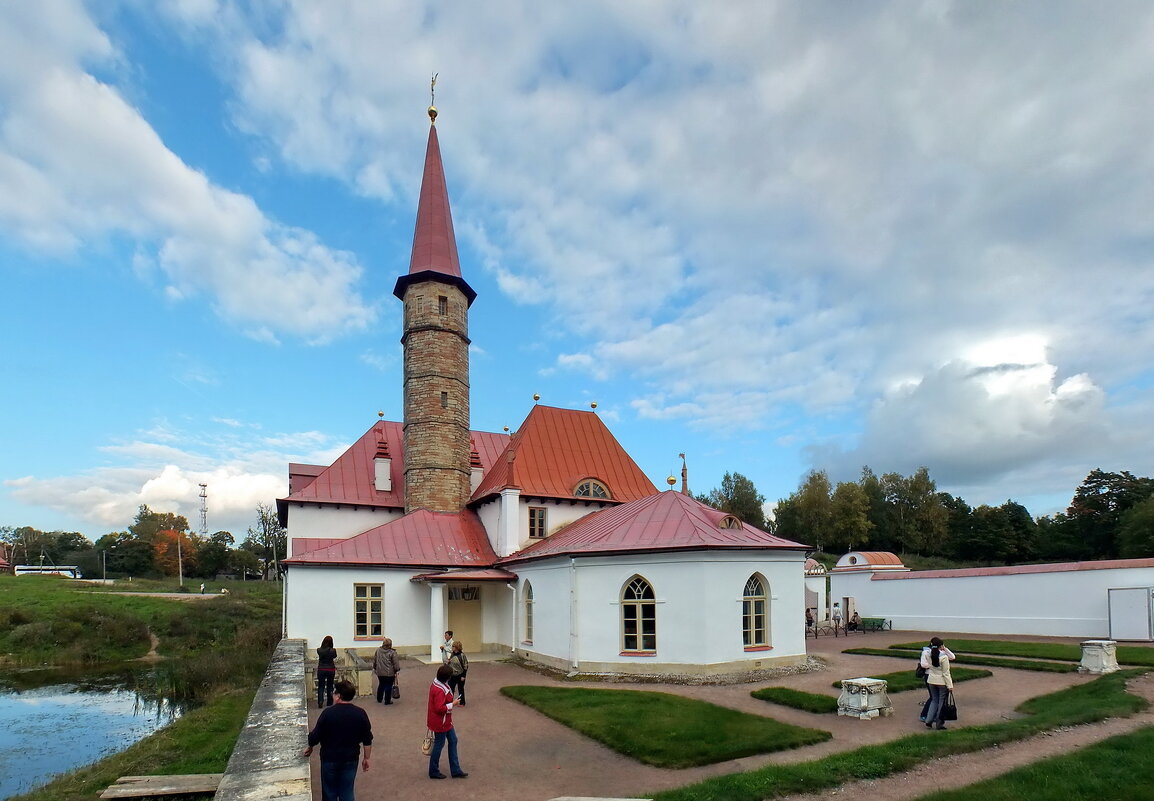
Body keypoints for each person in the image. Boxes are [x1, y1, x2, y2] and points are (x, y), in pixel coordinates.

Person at [302, 679, 373, 801]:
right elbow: (367, 739)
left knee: (329, 792)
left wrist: (310, 746)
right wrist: (366, 758)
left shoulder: (328, 713)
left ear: (338, 696)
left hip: (330, 758)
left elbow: (315, 735)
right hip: (351, 758)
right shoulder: (360, 713)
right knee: (347, 791)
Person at [427, 664, 467, 779]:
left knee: (453, 741)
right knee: (439, 745)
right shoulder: (440, 690)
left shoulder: (437, 684)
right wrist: (453, 704)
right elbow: (439, 708)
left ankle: (455, 769)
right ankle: (434, 770)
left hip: (444, 720)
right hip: (441, 722)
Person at [920, 636, 955, 730]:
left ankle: (928, 720)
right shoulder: (943, 657)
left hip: (931, 680)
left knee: (934, 700)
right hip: (941, 682)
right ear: (941, 646)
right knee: (941, 702)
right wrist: (950, 686)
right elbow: (946, 673)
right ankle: (939, 723)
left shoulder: (927, 653)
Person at [373, 637, 400, 705]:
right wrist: (397, 670)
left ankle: (379, 698)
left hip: (379, 672)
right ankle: (387, 700)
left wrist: (375, 668)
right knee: (388, 686)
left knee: (381, 684)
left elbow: (375, 660)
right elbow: (395, 663)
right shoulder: (392, 652)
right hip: (389, 673)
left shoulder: (378, 650)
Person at [316, 635, 338, 709]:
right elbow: (334, 656)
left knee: (321, 686)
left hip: (321, 669)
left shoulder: (319, 650)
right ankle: (329, 702)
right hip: (330, 669)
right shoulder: (333, 650)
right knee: (330, 686)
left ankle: (320, 701)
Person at [448, 640, 469, 705]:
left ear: (457, 647)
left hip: (460, 675)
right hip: (452, 675)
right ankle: (450, 702)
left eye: (453, 646)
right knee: (451, 689)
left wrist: (463, 676)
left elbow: (465, 666)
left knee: (460, 689)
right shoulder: (452, 654)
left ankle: (462, 702)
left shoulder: (462, 655)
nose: (452, 647)